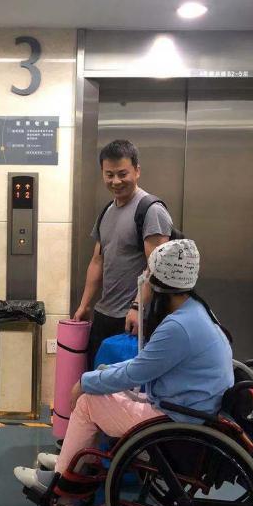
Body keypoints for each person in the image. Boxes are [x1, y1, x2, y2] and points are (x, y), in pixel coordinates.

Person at [15, 240, 233, 491]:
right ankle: (75, 462)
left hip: (177, 418)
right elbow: (146, 363)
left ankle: (63, 480)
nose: (143, 278)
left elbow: (135, 372)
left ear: (159, 282)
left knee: (87, 402)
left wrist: (85, 382)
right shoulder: (197, 311)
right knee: (101, 393)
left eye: (148, 273)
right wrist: (103, 375)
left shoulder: (178, 327)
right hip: (191, 408)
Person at [72, 139, 174, 369]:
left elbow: (157, 266)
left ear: (137, 171)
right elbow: (97, 261)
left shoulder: (151, 211)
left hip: (134, 319)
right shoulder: (107, 211)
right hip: (104, 314)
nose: (115, 181)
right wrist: (85, 305)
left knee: (127, 389)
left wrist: (137, 308)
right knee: (96, 381)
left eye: (122, 174)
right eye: (109, 175)